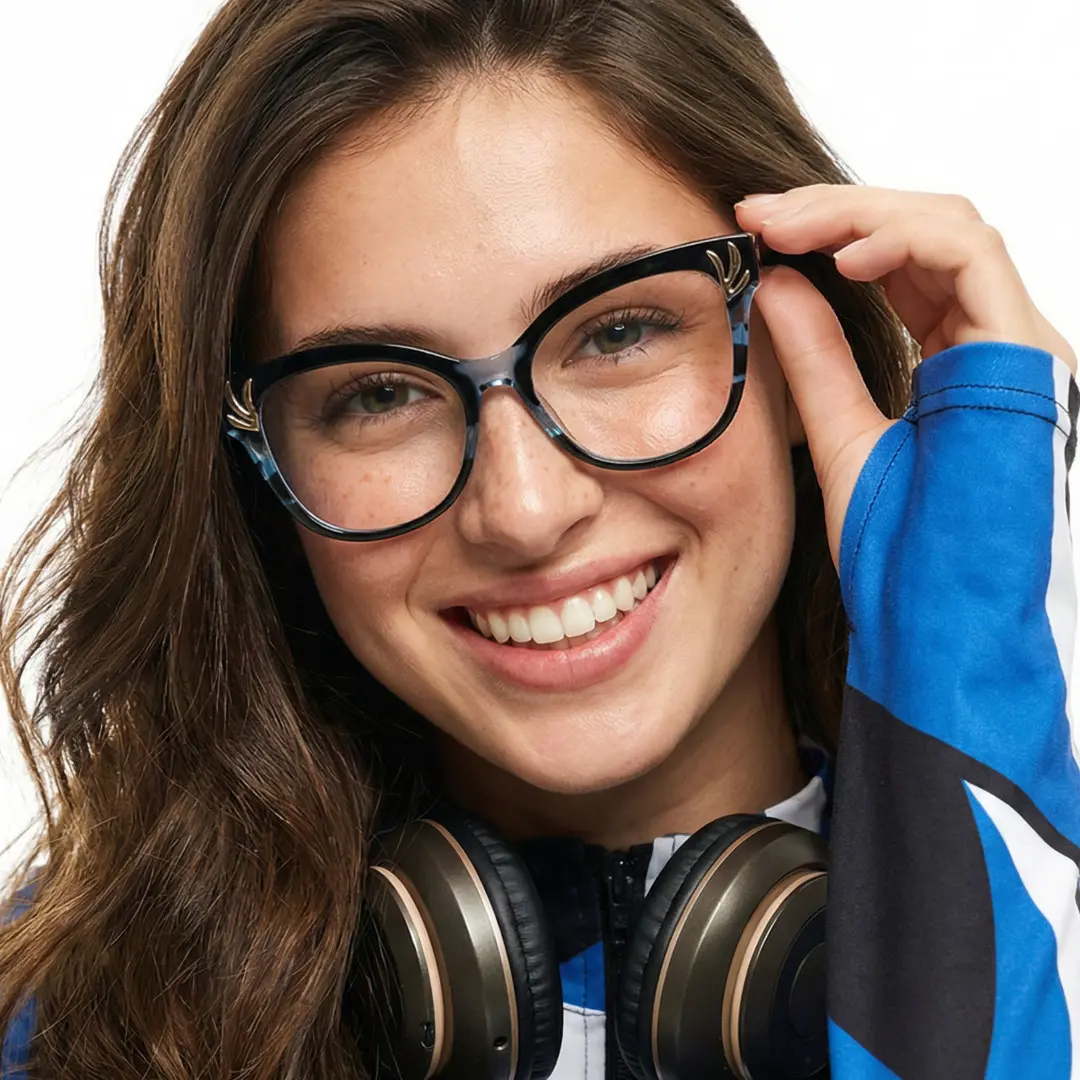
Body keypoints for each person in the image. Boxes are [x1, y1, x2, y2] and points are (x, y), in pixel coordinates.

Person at [2, 0, 1078, 1077]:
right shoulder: (70, 1020)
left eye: (618, 331)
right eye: (378, 394)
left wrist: (968, 660)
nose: (524, 509)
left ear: (802, 343)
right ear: (260, 472)